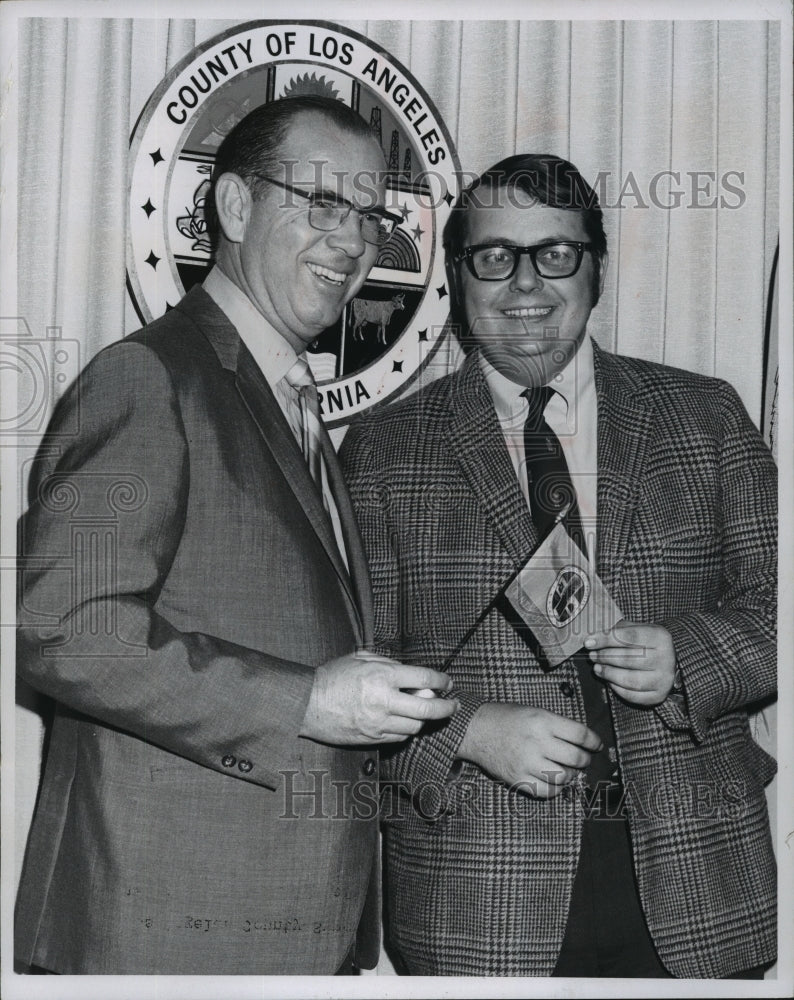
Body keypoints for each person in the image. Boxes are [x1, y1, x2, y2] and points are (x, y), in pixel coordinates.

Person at [14, 95, 456, 976]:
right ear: (235, 206)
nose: (356, 243)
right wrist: (306, 703)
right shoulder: (146, 379)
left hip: (292, 927)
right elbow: (68, 632)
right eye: (323, 205)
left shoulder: (285, 397)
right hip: (162, 931)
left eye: (371, 216)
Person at [340, 153, 777, 978]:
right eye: (495, 257)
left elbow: (777, 607)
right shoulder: (385, 450)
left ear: (597, 269)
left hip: (703, 895)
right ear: (460, 280)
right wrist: (467, 732)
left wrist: (690, 655)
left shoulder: (706, 417)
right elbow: (350, 679)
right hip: (477, 907)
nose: (526, 284)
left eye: (556, 253)